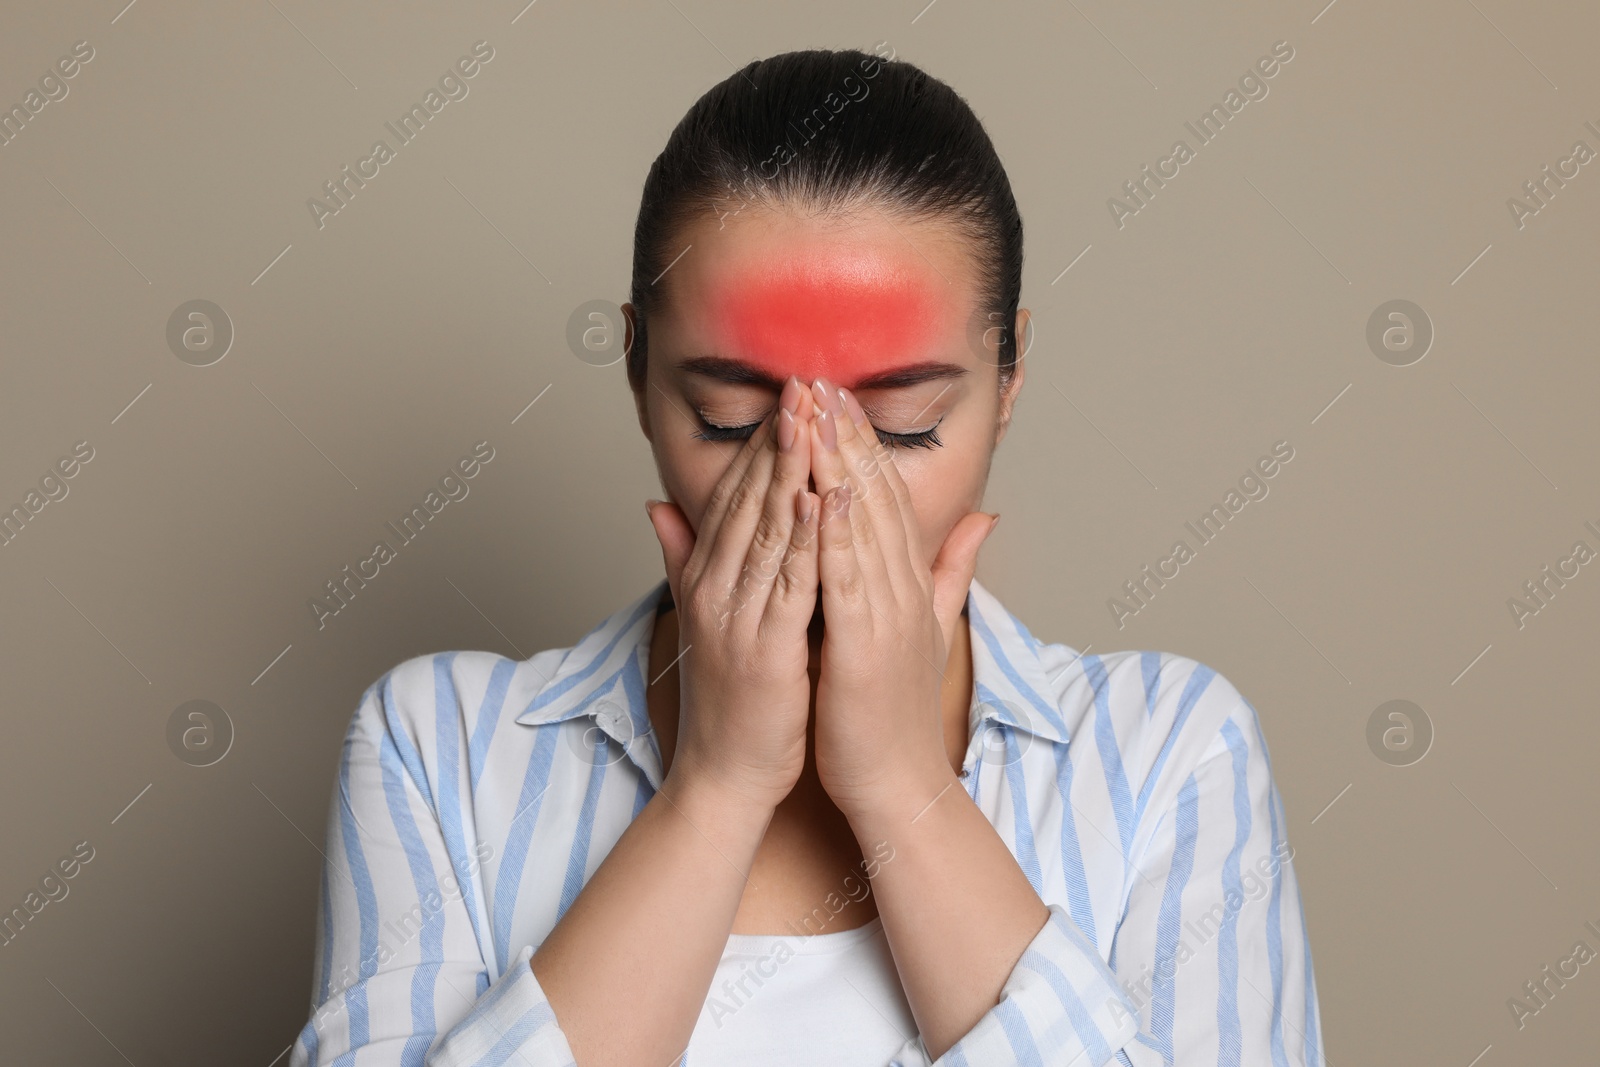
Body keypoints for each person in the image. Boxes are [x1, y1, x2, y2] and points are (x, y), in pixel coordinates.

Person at [289, 47, 1324, 1067]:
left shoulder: (1171, 755)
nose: (821, 482)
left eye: (907, 423)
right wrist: (717, 785)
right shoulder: (438, 748)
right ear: (640, 373)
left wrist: (903, 784)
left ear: (1006, 378)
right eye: (732, 419)